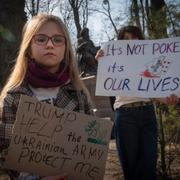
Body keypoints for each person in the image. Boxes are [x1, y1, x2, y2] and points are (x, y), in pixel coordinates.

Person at [0, 13, 93, 180]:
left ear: (66, 48)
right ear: (28, 48)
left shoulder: (79, 94)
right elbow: (6, 152)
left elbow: (91, 145)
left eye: (58, 40)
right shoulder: (12, 98)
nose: (50, 45)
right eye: (41, 39)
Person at [95, 25, 179, 180]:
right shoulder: (114, 59)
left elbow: (153, 91)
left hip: (148, 114)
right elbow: (106, 77)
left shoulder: (150, 60)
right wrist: (102, 60)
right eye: (126, 39)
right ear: (120, 43)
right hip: (126, 116)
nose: (131, 41)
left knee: (148, 165)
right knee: (131, 168)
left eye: (134, 37)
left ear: (140, 40)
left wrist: (169, 98)